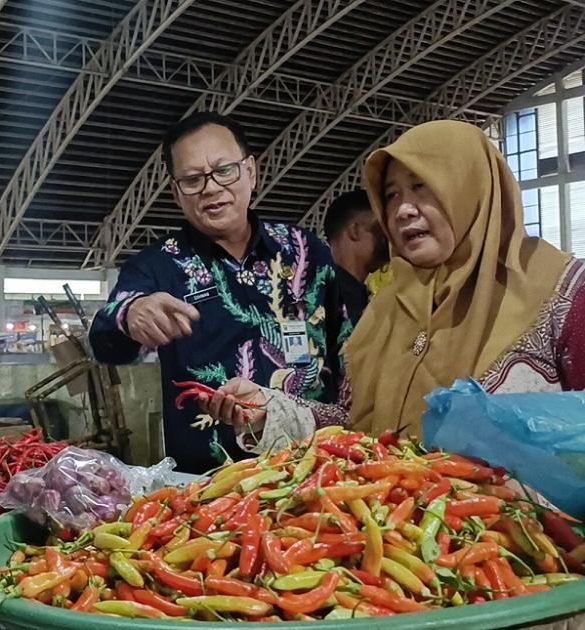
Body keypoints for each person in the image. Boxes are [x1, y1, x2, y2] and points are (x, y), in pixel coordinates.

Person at [202, 120, 585, 443]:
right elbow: (356, 431)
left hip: (527, 529)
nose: (402, 210)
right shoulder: (385, 310)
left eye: (422, 186)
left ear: (470, 187)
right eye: (391, 195)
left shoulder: (562, 292)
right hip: (390, 527)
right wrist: (270, 409)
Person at [89, 112, 353, 473]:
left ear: (250, 172)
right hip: (212, 483)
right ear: (176, 193)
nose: (211, 188)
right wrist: (129, 314)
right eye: (192, 179)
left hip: (319, 466)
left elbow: (348, 348)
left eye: (223, 170)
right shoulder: (156, 267)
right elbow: (103, 342)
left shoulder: (306, 251)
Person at [323, 190, 389, 324]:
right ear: (355, 231)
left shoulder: (323, 292)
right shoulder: (329, 300)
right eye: (380, 230)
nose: (388, 239)